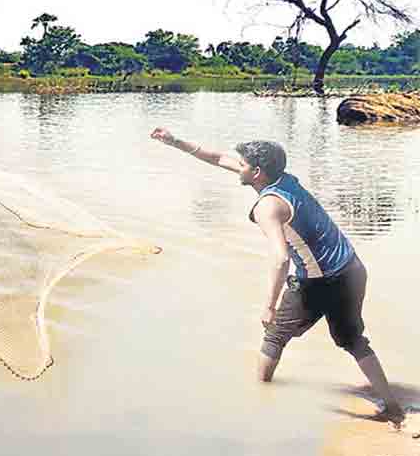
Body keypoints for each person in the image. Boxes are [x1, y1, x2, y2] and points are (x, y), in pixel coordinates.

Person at [151, 128, 404, 423]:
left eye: (243, 164)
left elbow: (281, 257)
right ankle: (393, 407)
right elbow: (220, 158)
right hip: (352, 268)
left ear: (257, 172)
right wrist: (175, 141)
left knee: (274, 336)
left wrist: (269, 305)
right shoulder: (282, 178)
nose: (238, 166)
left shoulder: (268, 206)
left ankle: (258, 407)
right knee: (353, 340)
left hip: (320, 281)